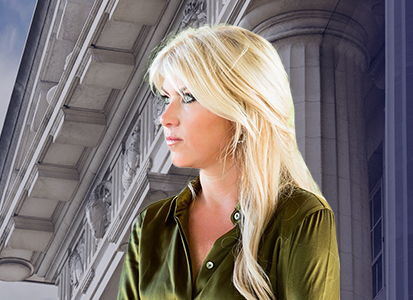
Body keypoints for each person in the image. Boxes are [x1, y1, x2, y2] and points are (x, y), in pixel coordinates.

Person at [117, 25, 340, 300]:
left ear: (240, 105)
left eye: (188, 97)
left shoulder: (302, 217)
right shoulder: (150, 226)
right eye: (166, 98)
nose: (166, 117)